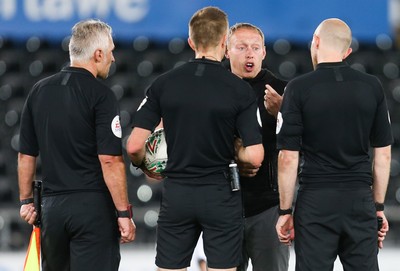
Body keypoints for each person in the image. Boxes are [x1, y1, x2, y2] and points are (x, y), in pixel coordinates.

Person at [126, 6, 264, 271]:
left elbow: (134, 146)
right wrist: (238, 151)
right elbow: (255, 155)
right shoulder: (240, 90)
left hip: (178, 193)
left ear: (191, 41)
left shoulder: (163, 84)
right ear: (224, 42)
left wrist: (146, 165)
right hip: (220, 194)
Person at [18, 19, 136, 271]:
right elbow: (110, 160)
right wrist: (124, 214)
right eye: (111, 51)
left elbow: (25, 155)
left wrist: (26, 201)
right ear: (98, 54)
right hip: (92, 209)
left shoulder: (38, 91)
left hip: (51, 211)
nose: (113, 59)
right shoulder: (101, 95)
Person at [275, 18, 393, 270]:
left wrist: (285, 211)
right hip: (359, 200)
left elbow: (287, 158)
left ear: (315, 42)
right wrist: (379, 207)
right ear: (347, 51)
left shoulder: (298, 88)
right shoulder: (372, 87)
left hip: (315, 202)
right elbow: (382, 156)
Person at [225, 23, 289, 271]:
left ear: (264, 52)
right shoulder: (214, 89)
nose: (249, 54)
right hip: (223, 206)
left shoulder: (283, 91)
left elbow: (309, 143)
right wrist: (236, 154)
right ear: (227, 51)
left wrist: (285, 112)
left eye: (255, 47)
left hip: (268, 207)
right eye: (241, 47)